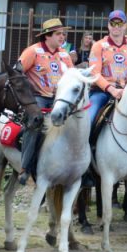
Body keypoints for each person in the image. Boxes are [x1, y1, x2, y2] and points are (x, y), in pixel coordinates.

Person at [17, 17, 74, 184]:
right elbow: (17, 74)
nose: (62, 37)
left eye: (63, 34)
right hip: (38, 98)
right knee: (35, 123)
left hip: (60, 99)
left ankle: (80, 169)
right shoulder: (32, 51)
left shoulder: (65, 54)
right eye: (58, 34)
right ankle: (25, 167)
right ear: (47, 36)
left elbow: (72, 76)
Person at [87, 10, 127, 131]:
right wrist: (111, 89)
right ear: (108, 25)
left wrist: (126, 90)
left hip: (126, 93)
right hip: (101, 92)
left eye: (120, 23)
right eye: (113, 23)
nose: (116, 27)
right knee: (89, 119)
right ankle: (88, 148)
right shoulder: (98, 45)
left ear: (125, 25)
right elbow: (94, 72)